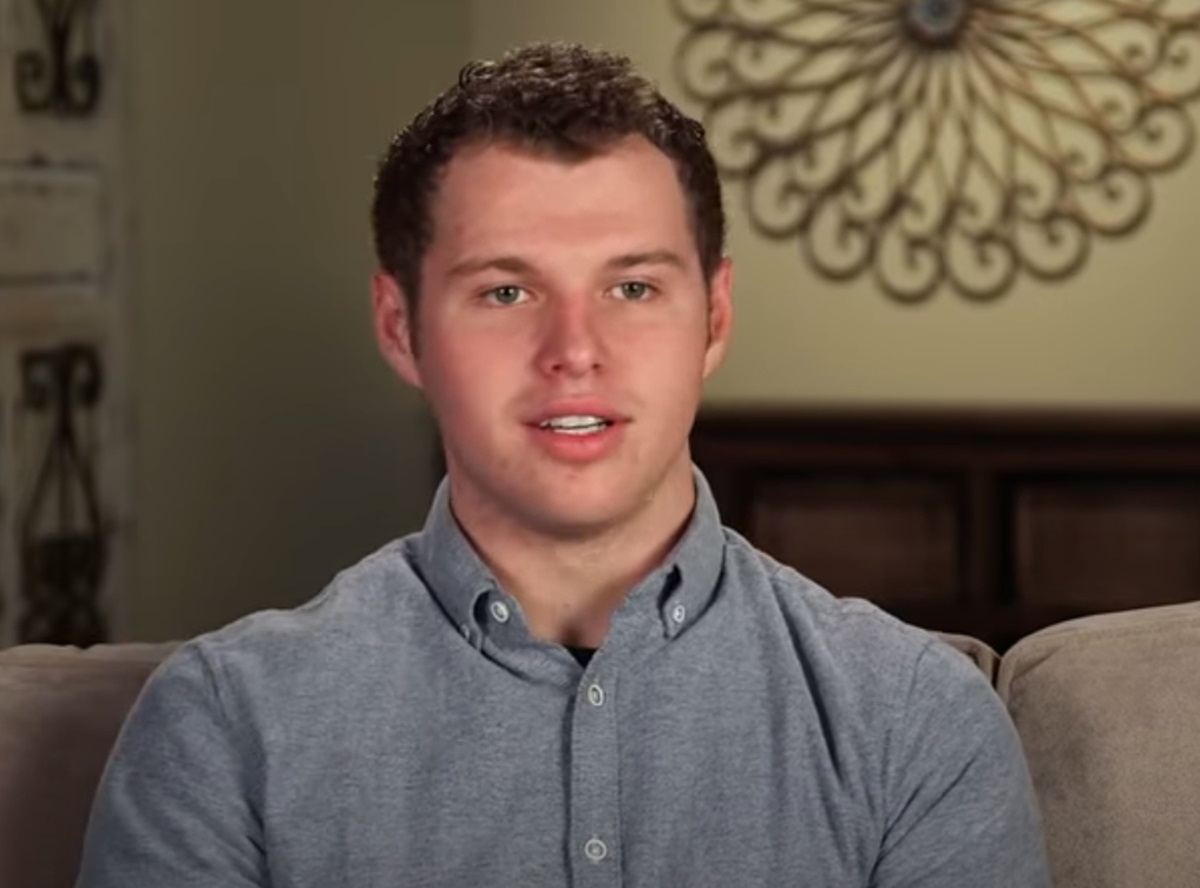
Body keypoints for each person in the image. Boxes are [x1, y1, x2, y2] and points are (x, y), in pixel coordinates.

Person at [76, 42, 1051, 887]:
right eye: (505, 291)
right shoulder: (225, 730)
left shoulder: (914, 720)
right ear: (399, 326)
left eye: (631, 286)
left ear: (713, 318)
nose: (574, 350)